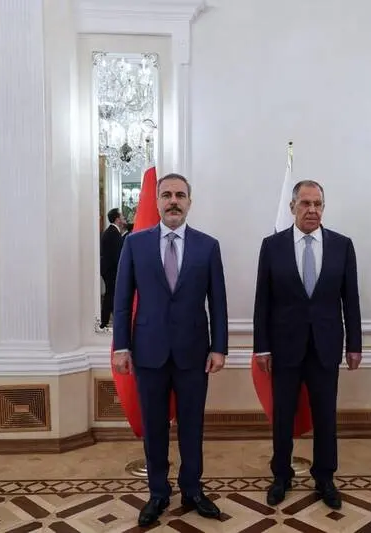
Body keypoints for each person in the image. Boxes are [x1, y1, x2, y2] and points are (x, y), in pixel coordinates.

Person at [112, 173, 228, 527]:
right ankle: (158, 492)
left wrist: (219, 347)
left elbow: (218, 302)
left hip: (194, 352)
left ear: (189, 202)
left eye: (180, 195)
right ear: (157, 201)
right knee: (155, 426)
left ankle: (192, 489)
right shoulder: (135, 243)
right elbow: (121, 301)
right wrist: (121, 346)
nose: (173, 201)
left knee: (192, 425)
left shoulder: (208, 246)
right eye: (166, 195)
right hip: (149, 351)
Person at [253, 179, 362, 509]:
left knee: (326, 416)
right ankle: (281, 476)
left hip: (326, 346)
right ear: (292, 207)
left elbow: (351, 300)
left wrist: (355, 345)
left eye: (317, 204)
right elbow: (263, 301)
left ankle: (325, 477)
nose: (312, 209)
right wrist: (261, 347)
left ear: (323, 208)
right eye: (305, 203)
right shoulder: (272, 246)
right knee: (283, 415)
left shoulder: (342, 246)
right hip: (284, 346)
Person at [99, 208, 125, 328]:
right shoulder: (113, 233)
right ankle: (104, 322)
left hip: (108, 269)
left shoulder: (111, 232)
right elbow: (117, 255)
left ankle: (110, 320)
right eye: (122, 216)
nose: (124, 218)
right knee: (111, 295)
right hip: (111, 270)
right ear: (117, 219)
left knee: (112, 295)